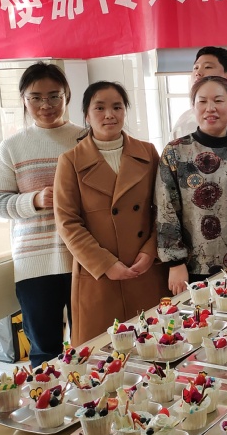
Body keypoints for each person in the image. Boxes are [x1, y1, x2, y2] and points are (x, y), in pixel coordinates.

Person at [54, 82, 166, 345]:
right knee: (101, 355)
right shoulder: (70, 161)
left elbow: (164, 209)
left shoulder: (148, 152)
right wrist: (105, 264)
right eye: (100, 108)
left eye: (117, 107)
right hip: (98, 275)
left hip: (143, 270)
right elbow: (67, 223)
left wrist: (150, 251)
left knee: (155, 348)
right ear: (86, 115)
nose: (109, 115)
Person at [0, 63, 82, 367]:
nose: (46, 105)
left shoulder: (84, 139)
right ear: (24, 100)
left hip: (84, 256)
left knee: (89, 343)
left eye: (54, 96)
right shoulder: (11, 148)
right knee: (44, 350)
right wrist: (34, 201)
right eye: (36, 98)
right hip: (34, 262)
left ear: (66, 96)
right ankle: (48, 398)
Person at [156, 76, 227, 291]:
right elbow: (166, 209)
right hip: (191, 267)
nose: (210, 108)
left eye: (218, 100)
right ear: (193, 107)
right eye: (202, 101)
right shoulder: (175, 151)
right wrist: (175, 262)